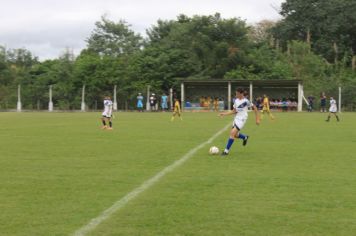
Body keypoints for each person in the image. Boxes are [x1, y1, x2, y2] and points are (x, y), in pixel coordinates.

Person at [219, 88, 260, 156]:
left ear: (241, 94)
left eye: (237, 93)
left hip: (242, 119)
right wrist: (224, 114)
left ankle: (226, 151)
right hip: (236, 118)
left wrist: (257, 119)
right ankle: (245, 137)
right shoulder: (236, 101)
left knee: (232, 133)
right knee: (235, 134)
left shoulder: (246, 101)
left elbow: (255, 108)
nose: (236, 95)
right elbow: (234, 111)